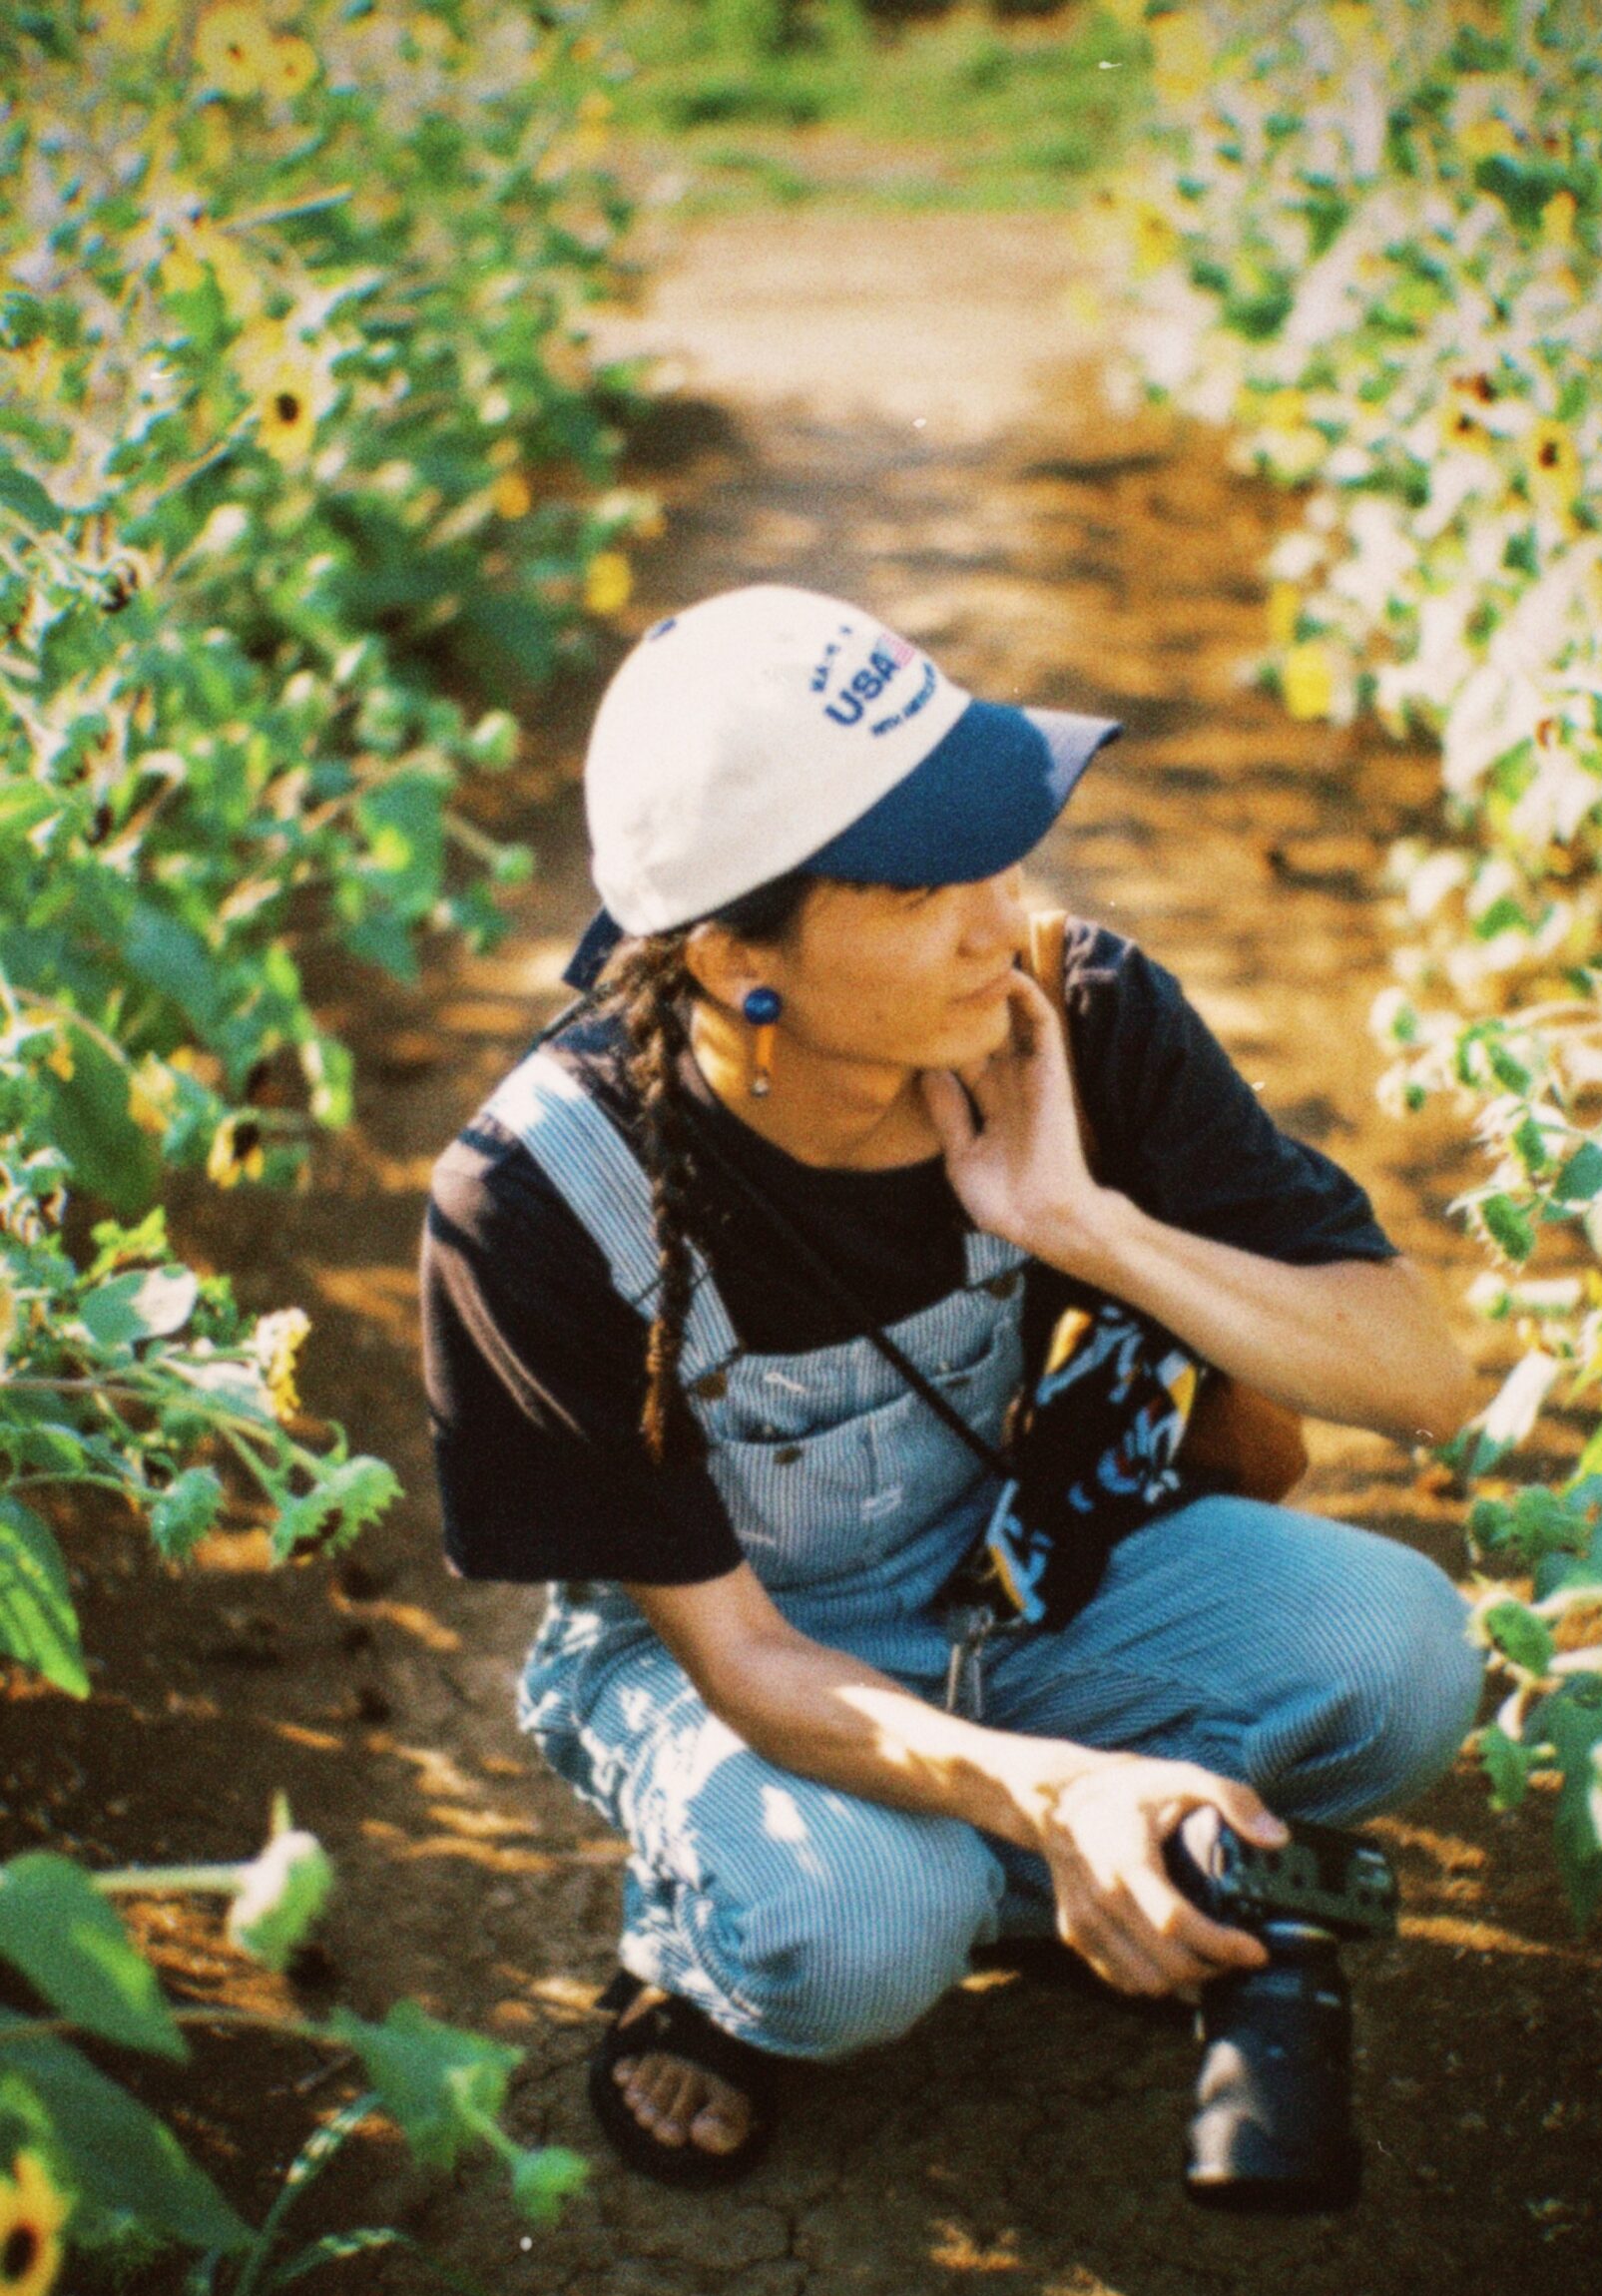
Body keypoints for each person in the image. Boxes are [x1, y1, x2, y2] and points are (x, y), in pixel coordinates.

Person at [420, 583, 1484, 2187]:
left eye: (1001, 846)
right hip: (738, 1660)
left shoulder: (1072, 1010)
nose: (1002, 920)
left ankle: (1048, 1854)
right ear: (733, 962)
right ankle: (713, 1960)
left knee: (1401, 1658)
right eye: (926, 885)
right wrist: (1063, 1792)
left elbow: (1423, 1379)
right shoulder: (539, 1196)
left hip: (1005, 1585)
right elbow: (746, 1661)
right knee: (851, 1935)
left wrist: (1090, 1228)